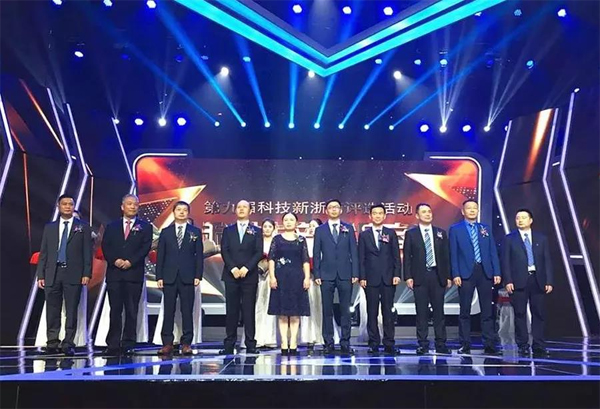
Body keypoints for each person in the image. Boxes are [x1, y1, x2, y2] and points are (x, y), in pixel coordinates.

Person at [36, 194, 92, 355]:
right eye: (64, 204)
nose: (68, 206)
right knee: (52, 309)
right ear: (58, 206)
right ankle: (52, 342)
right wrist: (41, 275)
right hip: (52, 273)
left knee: (71, 309)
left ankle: (68, 342)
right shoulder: (50, 227)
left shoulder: (83, 227)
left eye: (70, 204)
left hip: (73, 273)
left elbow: (87, 252)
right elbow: (44, 252)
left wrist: (86, 273)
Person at [101, 194, 152, 355]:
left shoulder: (145, 227)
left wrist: (130, 261)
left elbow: (145, 248)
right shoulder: (112, 226)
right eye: (129, 204)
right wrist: (115, 260)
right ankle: (113, 344)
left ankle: (128, 343)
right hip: (115, 274)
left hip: (133, 274)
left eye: (135, 204)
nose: (132, 206)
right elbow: (106, 246)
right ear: (122, 207)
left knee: (131, 310)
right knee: (115, 310)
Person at [449, 199, 501, 354]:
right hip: (465, 273)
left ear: (478, 211)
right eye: (469, 208)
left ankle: (489, 343)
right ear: (463, 211)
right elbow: (453, 253)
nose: (472, 210)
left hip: (485, 271)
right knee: (465, 311)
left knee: (487, 310)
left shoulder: (485, 228)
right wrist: (455, 273)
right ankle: (465, 343)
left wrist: (497, 271)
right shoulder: (455, 229)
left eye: (475, 208)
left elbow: (492, 251)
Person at [502, 209, 553, 357]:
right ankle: (522, 345)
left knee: (539, 313)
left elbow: (547, 261)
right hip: (518, 281)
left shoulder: (541, 239)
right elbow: (505, 261)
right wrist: (508, 280)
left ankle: (539, 345)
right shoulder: (509, 239)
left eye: (523, 217)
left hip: (537, 279)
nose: (520, 220)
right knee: (520, 313)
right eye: (518, 218)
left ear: (530, 220)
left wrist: (549, 280)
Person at [156, 201, 204, 355]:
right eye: (179, 210)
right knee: (168, 311)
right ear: (174, 212)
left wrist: (198, 275)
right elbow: (160, 256)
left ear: (188, 213)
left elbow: (199, 256)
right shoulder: (166, 232)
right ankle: (167, 343)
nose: (182, 212)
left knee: (187, 311)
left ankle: (186, 343)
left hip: (188, 276)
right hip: (169, 276)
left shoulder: (195, 232)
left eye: (184, 210)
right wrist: (159, 276)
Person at [403, 203, 451, 355]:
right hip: (420, 276)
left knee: (439, 312)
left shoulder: (440, 233)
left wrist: (448, 276)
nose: (427, 214)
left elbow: (446, 256)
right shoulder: (411, 234)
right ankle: (423, 343)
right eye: (424, 212)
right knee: (421, 312)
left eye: (429, 211)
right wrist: (408, 276)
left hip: (437, 275)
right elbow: (407, 257)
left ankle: (441, 343)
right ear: (417, 215)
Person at [313, 199, 359, 354]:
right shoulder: (320, 230)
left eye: (336, 207)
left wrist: (355, 272)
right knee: (327, 310)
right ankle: (328, 342)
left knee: (345, 310)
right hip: (326, 274)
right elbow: (316, 253)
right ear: (326, 210)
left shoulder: (348, 228)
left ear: (340, 210)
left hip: (345, 273)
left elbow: (354, 251)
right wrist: (317, 273)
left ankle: (345, 342)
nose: (333, 209)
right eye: (331, 207)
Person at [220, 200, 263, 355]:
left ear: (250, 211)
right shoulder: (228, 230)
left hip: (249, 276)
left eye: (245, 207)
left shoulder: (256, 231)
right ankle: (229, 344)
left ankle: (250, 344)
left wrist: (246, 268)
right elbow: (224, 250)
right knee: (231, 310)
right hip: (230, 275)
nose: (241, 209)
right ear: (235, 210)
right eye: (239, 207)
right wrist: (233, 268)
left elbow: (258, 252)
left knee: (248, 310)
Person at [358, 204, 401, 355]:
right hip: (370, 279)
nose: (377, 216)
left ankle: (389, 343)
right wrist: (362, 277)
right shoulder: (364, 235)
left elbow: (396, 256)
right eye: (374, 213)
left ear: (384, 216)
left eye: (380, 213)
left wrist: (397, 274)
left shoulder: (390, 233)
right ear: (370, 216)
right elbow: (361, 258)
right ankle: (373, 343)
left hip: (388, 278)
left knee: (388, 312)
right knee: (372, 312)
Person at [268, 213, 311, 355]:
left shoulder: (301, 239)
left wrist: (307, 277)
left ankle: (293, 342)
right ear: (282, 223)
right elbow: (271, 259)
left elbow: (305, 260)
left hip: (297, 278)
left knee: (295, 313)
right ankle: (283, 342)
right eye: (286, 220)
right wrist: (272, 277)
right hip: (280, 278)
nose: (288, 222)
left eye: (291, 220)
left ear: (296, 223)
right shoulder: (277, 239)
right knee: (282, 313)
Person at [301, 218, 324, 350]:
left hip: (319, 279)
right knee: (307, 306)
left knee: (318, 306)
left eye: (314, 226)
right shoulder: (303, 242)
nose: (311, 228)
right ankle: (307, 336)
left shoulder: (323, 242)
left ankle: (320, 335)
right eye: (309, 225)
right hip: (306, 279)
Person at [254, 219, 278, 348]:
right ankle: (256, 338)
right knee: (258, 304)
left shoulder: (277, 242)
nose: (267, 229)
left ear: (274, 228)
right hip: (257, 275)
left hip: (273, 276)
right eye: (265, 226)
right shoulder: (257, 241)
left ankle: (270, 338)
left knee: (271, 305)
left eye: (270, 226)